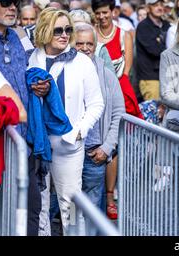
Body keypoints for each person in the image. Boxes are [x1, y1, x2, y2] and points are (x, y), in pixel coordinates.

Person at [28, 7, 104, 236]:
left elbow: (96, 104)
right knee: (39, 202)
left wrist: (79, 132)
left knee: (69, 203)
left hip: (68, 145)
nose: (64, 35)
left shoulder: (82, 62)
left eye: (68, 30)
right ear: (44, 31)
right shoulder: (33, 58)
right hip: (38, 144)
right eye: (57, 30)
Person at [0, 0, 42, 236]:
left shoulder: (18, 36)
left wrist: (38, 84)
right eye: (5, 2)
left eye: (15, 2)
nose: (12, 8)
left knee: (31, 205)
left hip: (24, 139)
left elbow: (28, 68)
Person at [73, 23, 125, 219]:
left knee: (93, 210)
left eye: (89, 44)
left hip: (95, 153)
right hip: (69, 151)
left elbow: (119, 112)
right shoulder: (64, 70)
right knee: (64, 204)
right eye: (79, 43)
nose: (85, 48)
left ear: (96, 46)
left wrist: (107, 147)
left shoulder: (107, 74)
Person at [91, 0, 143, 119]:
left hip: (119, 87)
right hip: (95, 87)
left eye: (105, 12)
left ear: (112, 11)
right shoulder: (90, 33)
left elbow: (127, 68)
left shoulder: (124, 35)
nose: (101, 16)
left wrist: (117, 90)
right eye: (98, 13)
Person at [135, 0, 171, 101]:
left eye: (161, 4)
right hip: (150, 78)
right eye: (155, 5)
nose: (159, 7)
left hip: (168, 76)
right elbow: (155, 50)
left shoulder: (166, 25)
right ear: (147, 8)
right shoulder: (143, 26)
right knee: (154, 111)